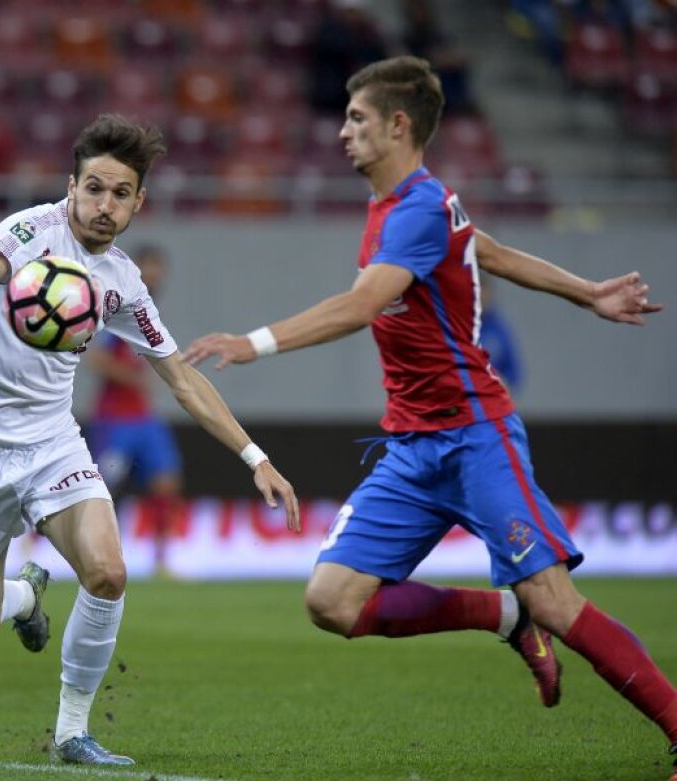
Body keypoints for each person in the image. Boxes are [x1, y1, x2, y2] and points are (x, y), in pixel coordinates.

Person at [184, 56, 676, 774]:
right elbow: (490, 251)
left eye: (357, 118)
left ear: (398, 125)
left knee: (557, 599)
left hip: (476, 436)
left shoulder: (415, 208)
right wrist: (586, 292)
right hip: (414, 448)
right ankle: (505, 618)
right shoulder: (406, 204)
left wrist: (251, 343)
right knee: (331, 600)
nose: (343, 131)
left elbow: (358, 307)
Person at [0, 113, 300, 766]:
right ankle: (26, 594)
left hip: (48, 445)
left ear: (138, 202)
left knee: (109, 572)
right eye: (94, 188)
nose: (104, 205)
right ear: (71, 185)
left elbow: (180, 377)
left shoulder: (121, 281)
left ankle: (71, 731)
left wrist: (254, 456)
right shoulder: (29, 231)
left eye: (120, 194)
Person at [85, 244, 184, 578]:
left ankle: (160, 560)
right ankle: (44, 544)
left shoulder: (149, 310)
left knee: (165, 483)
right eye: (148, 268)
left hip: (144, 418)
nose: (154, 275)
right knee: (101, 489)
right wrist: (133, 375)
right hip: (115, 419)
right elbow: (96, 358)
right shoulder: (116, 311)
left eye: (159, 268)